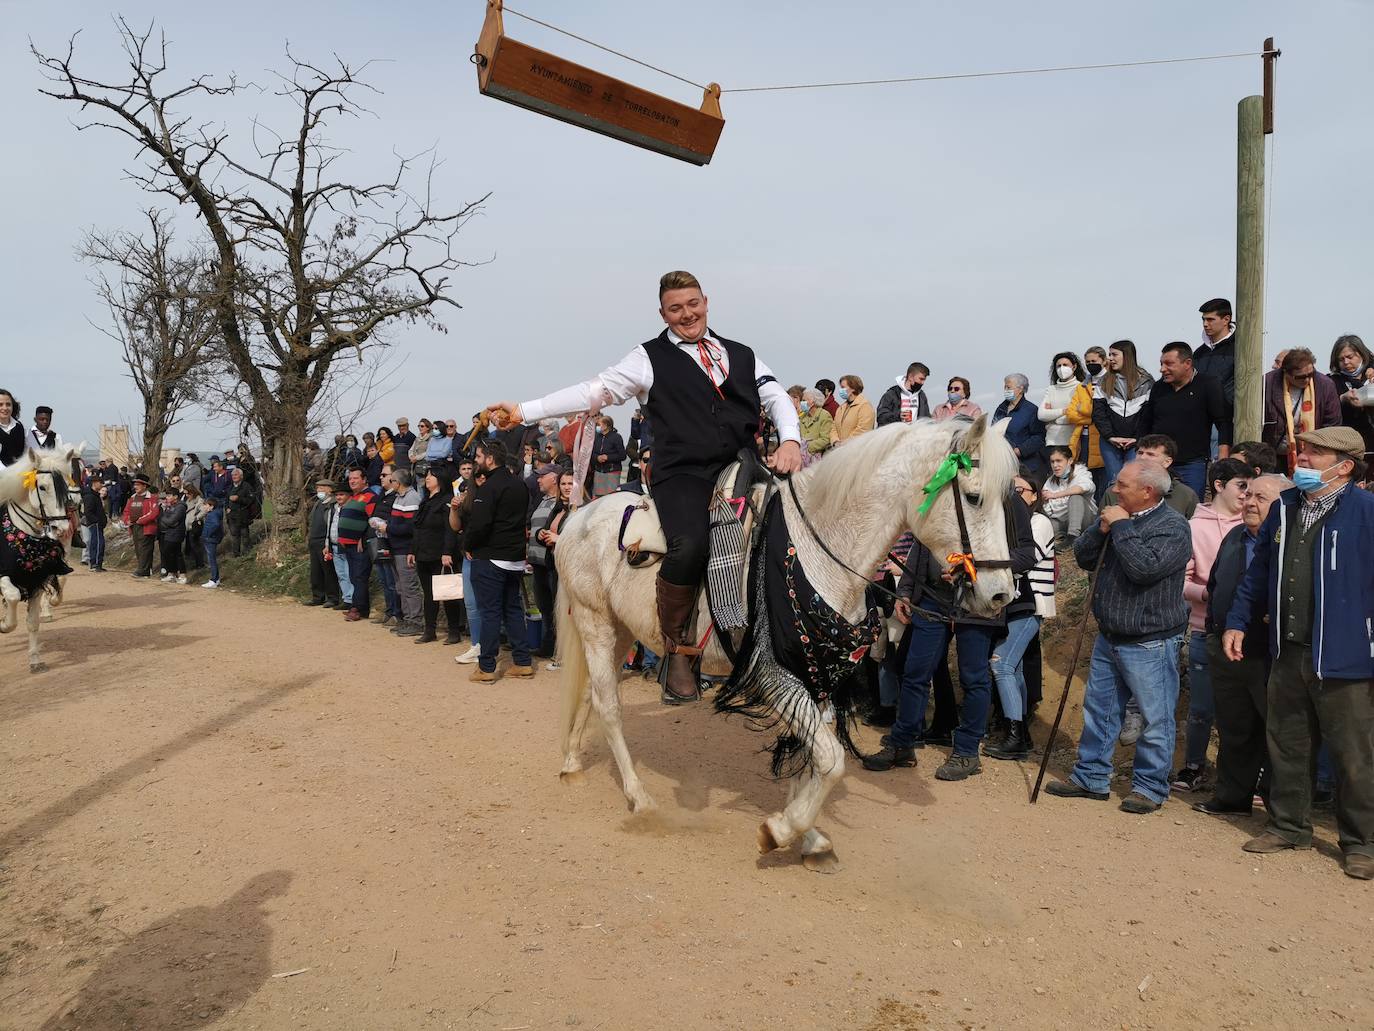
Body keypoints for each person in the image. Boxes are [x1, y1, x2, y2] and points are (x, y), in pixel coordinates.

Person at [490, 270, 803, 701]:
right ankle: (678, 651)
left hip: (742, 464)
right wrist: (525, 411)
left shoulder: (742, 353)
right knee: (689, 543)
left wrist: (790, 439)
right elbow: (594, 391)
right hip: (683, 473)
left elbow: (775, 396)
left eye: (692, 304)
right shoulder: (647, 358)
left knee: (791, 528)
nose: (686, 314)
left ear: (706, 302)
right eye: (675, 308)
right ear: (663, 312)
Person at [1223, 426, 1374, 879]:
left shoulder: (1367, 512)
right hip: (1287, 652)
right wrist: (1236, 621)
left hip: (1346, 657)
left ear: (1344, 466)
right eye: (1302, 450)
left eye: (1313, 454)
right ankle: (1288, 826)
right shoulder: (1286, 508)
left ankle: (1361, 843)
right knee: (1288, 744)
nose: (1301, 458)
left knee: (1354, 754)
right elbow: (1259, 572)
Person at [1044, 460, 1192, 813]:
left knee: (1155, 718)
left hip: (1150, 639)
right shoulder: (1115, 516)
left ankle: (1150, 787)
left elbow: (1145, 569)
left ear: (1147, 491)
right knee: (1100, 711)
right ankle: (1091, 776)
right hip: (1110, 634)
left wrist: (1121, 527)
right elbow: (1083, 557)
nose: (1114, 487)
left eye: (1123, 484)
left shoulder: (1172, 526)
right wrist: (1101, 529)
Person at [864, 485, 1037, 780]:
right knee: (915, 671)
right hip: (933, 596)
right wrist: (906, 590)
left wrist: (972, 567)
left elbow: (1025, 554)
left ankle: (967, 752)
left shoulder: (1006, 499)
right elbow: (922, 544)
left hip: (977, 598)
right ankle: (903, 743)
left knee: (974, 677)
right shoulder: (942, 493)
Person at [1191, 473, 1291, 818]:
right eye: (1248, 494)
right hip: (1224, 648)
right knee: (1234, 727)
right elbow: (1217, 583)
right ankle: (1233, 796)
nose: (1249, 502)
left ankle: (1281, 808)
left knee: (1278, 731)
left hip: (1267, 653)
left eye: (1261, 498)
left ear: (1283, 503)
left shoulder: (1289, 541)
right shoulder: (1234, 535)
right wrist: (1213, 631)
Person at [1174, 458, 1251, 792]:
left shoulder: (1254, 524)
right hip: (1206, 628)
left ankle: (1248, 776)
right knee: (1202, 708)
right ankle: (1193, 766)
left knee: (1246, 709)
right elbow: (1181, 582)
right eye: (1241, 486)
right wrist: (1209, 594)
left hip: (1249, 631)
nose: (1247, 495)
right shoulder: (1193, 527)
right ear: (1219, 485)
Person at [984, 471, 1056, 760]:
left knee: (1001, 666)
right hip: (1016, 604)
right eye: (1011, 489)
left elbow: (1024, 562)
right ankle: (1020, 732)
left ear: (1035, 494)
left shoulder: (1039, 522)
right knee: (1013, 669)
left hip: (1032, 603)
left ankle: (1016, 734)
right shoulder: (1014, 522)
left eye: (1021, 490)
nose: (1015, 495)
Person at [463, 439, 535, 683]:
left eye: (479, 457)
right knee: (512, 609)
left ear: (490, 459)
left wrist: (467, 545)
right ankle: (523, 662)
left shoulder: (490, 487)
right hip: (513, 557)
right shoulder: (519, 484)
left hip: (490, 557)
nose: (476, 461)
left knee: (490, 612)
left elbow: (479, 524)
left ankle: (486, 667)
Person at [1138, 342, 1232, 497]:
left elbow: (1223, 421)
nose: (1162, 369)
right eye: (1161, 364)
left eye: (1169, 364)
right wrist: (1140, 450)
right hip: (1158, 462)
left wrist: (1223, 453)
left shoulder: (1208, 384)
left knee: (1190, 507)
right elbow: (1146, 421)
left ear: (1187, 363)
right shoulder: (1158, 387)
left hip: (1192, 463)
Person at [1262, 347, 1342, 474]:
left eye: (1310, 374)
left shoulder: (1325, 385)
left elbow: (1332, 424)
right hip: (1274, 455)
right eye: (1300, 377)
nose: (1306, 379)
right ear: (1286, 373)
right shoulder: (1267, 383)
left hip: (1311, 456)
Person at [1092, 339, 1154, 486]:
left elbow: (1148, 415)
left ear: (1127, 356)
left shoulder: (1147, 382)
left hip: (1136, 442)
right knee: (1114, 482)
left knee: (1134, 482)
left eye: (1114, 354)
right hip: (1110, 442)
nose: (1110, 359)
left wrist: (1138, 438)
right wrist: (1110, 436)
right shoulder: (1103, 381)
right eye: (1109, 355)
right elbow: (1098, 413)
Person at [414, 464, 462, 645]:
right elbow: (417, 528)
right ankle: (430, 630)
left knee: (447, 593)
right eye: (426, 475)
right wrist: (413, 550)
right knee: (429, 594)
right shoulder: (425, 501)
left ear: (440, 480)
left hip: (440, 554)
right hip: (423, 554)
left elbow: (450, 529)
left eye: (431, 476)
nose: (427, 478)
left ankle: (454, 631)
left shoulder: (447, 500)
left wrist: (447, 551)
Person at [1103, 435, 1199, 519]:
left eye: (1150, 454)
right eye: (1140, 453)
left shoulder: (1186, 496)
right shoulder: (1114, 492)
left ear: (1167, 462)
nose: (1143, 458)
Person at [527, 463, 564, 660]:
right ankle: (548, 645)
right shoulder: (542, 500)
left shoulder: (562, 502)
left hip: (552, 564)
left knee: (556, 608)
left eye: (542, 476)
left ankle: (559, 649)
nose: (538, 479)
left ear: (554, 478)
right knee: (545, 607)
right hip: (537, 563)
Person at [387, 467, 424, 637]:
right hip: (396, 547)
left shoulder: (412, 497)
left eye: (392, 480)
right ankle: (408, 619)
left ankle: (416, 621)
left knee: (409, 586)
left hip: (405, 548)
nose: (390, 482)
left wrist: (387, 527)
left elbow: (410, 527)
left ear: (399, 482)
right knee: (401, 586)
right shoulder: (398, 497)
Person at [337, 467, 377, 621]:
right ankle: (359, 606)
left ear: (364, 479)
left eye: (355, 478)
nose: (352, 481)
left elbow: (373, 518)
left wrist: (363, 536)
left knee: (360, 576)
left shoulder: (370, 496)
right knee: (354, 576)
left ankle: (358, 608)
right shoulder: (354, 497)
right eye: (350, 479)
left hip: (360, 545)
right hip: (348, 545)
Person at [1328, 334, 1374, 461]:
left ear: (1362, 354)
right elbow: (1323, 408)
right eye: (1341, 359)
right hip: (1349, 448)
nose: (1346, 362)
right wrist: (1342, 399)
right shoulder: (1331, 382)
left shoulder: (1371, 376)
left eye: (1350, 357)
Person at [1038, 352, 1091, 461]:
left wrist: (1055, 419)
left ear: (1074, 366)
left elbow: (1079, 416)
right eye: (1059, 366)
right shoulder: (1051, 389)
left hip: (1073, 442)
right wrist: (1065, 410)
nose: (1062, 368)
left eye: (1065, 365)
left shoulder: (1081, 387)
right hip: (1052, 442)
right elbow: (1042, 415)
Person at [1041, 445, 1096, 549]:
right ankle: (1056, 541)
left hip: (1085, 520)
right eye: (1052, 462)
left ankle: (1073, 537)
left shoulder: (1081, 472)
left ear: (1070, 461)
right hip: (1061, 520)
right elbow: (1047, 507)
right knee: (1044, 527)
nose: (1055, 465)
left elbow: (1084, 488)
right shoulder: (1050, 480)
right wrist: (1044, 500)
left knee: (1076, 497)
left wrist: (1054, 495)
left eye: (1059, 461)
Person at [992, 373, 1046, 474]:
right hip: (1002, 464)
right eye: (1004, 387)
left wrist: (1019, 451)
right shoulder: (1000, 409)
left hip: (1025, 466)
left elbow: (1039, 436)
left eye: (1008, 387)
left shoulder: (1031, 410)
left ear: (1020, 389)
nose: (1005, 390)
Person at [1194, 298, 1237, 414]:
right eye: (1203, 320)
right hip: (1202, 418)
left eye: (1210, 319)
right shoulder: (1198, 353)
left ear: (1226, 319)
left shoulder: (1241, 349)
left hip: (1230, 419)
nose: (1205, 324)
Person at [304, 477, 341, 607]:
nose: (318, 490)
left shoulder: (333, 504)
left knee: (328, 570)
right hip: (314, 540)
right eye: (318, 488)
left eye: (321, 488)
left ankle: (332, 597)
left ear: (329, 490)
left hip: (324, 540)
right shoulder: (318, 503)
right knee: (315, 571)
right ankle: (317, 596)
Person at [123, 473, 159, 577]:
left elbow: (154, 513)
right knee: (138, 549)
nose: (135, 487)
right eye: (135, 485)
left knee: (145, 549)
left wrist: (140, 520)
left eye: (138, 485)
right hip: (134, 527)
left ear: (144, 486)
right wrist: (127, 520)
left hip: (146, 527)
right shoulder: (132, 498)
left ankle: (143, 570)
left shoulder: (151, 498)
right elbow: (126, 511)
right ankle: (144, 569)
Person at [325, 482, 353, 610]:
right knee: (341, 574)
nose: (339, 497)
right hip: (334, 544)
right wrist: (327, 545)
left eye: (342, 494)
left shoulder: (351, 507)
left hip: (346, 545)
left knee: (349, 573)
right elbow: (329, 527)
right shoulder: (333, 508)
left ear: (348, 495)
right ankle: (346, 598)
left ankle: (352, 599)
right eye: (337, 495)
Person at [830, 374, 875, 445]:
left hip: (857, 450)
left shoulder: (864, 405)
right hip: (839, 450)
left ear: (853, 388)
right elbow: (834, 427)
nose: (840, 390)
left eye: (843, 387)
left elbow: (863, 429)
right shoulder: (841, 408)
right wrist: (835, 441)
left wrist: (845, 443)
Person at [158, 488, 189, 584]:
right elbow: (165, 519)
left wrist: (165, 519)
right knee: (169, 553)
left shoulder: (180, 507)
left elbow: (172, 520)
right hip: (169, 532)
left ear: (175, 496)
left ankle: (182, 575)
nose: (167, 498)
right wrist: (166, 519)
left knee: (176, 553)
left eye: (169, 495)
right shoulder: (170, 506)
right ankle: (172, 573)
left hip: (177, 533)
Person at [590, 415, 626, 497]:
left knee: (611, 497)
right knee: (598, 498)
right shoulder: (596, 437)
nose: (597, 427)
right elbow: (592, 453)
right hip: (599, 472)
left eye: (599, 425)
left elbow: (622, 455)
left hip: (612, 472)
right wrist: (597, 458)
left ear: (606, 425)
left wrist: (608, 457)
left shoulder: (616, 437)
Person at [793, 387, 833, 460]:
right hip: (800, 455)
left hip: (816, 456)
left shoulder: (825, 415)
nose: (801, 403)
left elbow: (826, 439)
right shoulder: (803, 416)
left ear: (813, 402)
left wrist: (808, 447)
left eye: (804, 400)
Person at [224, 467, 256, 557]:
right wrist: (227, 508)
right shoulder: (230, 487)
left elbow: (251, 500)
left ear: (241, 476)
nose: (234, 477)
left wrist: (239, 499)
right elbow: (226, 500)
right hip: (232, 516)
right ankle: (236, 555)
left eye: (236, 475)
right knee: (234, 536)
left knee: (245, 535)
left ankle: (247, 554)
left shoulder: (246, 486)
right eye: (233, 475)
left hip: (243, 515)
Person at [81, 478, 108, 571]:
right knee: (97, 543)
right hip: (95, 523)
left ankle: (98, 563)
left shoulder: (96, 495)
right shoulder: (90, 496)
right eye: (100, 483)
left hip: (98, 523)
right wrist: (96, 521)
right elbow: (88, 511)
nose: (101, 485)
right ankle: (95, 564)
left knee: (100, 543)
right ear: (94, 483)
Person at [201, 495, 224, 588]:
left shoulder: (213, 514)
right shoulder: (215, 513)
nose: (204, 507)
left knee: (211, 559)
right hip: (211, 538)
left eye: (206, 505)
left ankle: (214, 579)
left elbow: (215, 524)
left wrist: (207, 534)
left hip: (210, 539)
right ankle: (216, 579)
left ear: (211, 506)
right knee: (212, 558)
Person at [0, 388, 24, 466]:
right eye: (0, 404)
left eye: (8, 404)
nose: (5, 408)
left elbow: (31, 450)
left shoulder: (20, 427)